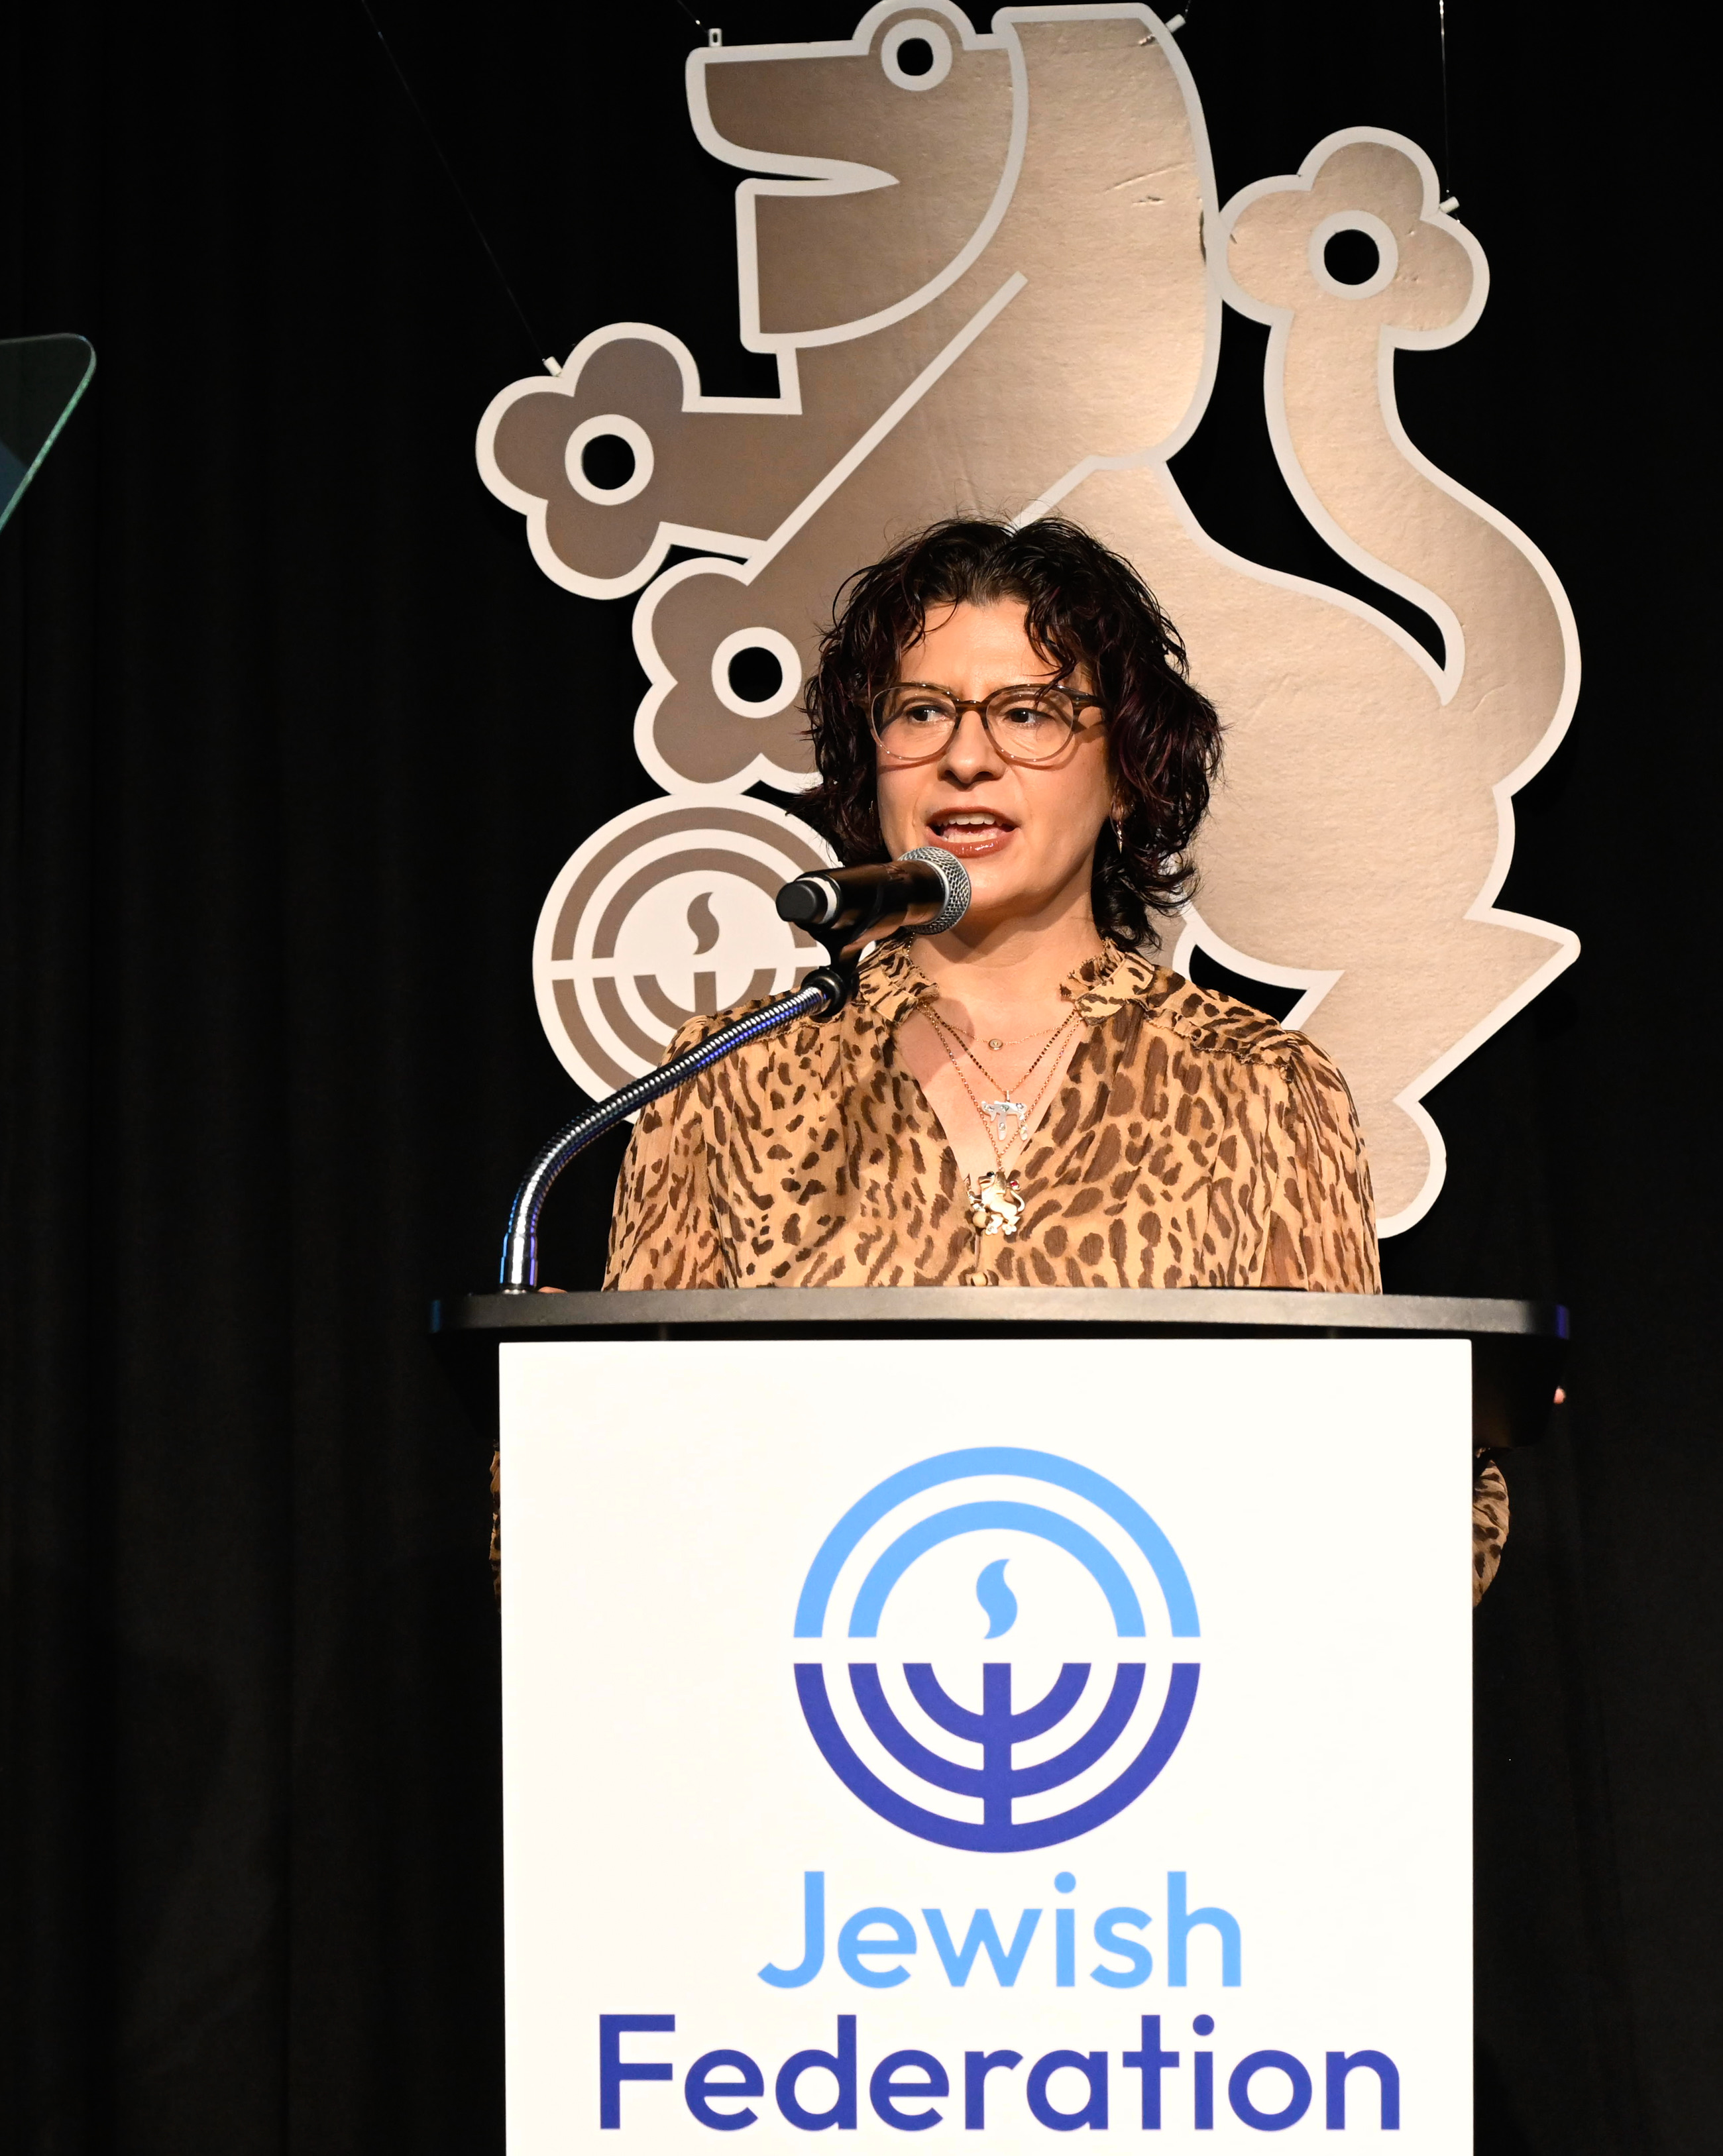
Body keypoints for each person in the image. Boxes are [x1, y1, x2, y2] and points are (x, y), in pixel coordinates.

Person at [603, 515, 1506, 1593]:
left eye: (1028, 712)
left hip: (1164, 1677)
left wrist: (1450, 1451)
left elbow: (1350, 1484)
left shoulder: (1259, 1087)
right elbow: (614, 1480)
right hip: (800, 1671)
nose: (966, 758)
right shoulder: (731, 1076)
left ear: (1126, 773)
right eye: (921, 712)